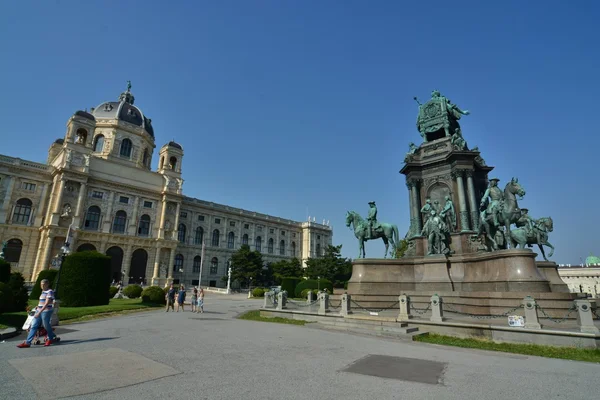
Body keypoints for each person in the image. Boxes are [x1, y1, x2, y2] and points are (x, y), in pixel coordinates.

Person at [17, 279, 60, 348]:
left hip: (46, 311)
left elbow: (47, 303)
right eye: (41, 284)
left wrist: (39, 312)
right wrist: (38, 306)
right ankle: (28, 343)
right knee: (34, 326)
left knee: (46, 325)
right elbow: (42, 301)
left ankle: (51, 338)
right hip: (39, 310)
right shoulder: (43, 292)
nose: (42, 286)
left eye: (43, 284)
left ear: (47, 284)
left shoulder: (50, 292)